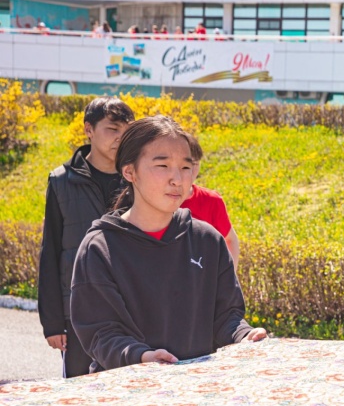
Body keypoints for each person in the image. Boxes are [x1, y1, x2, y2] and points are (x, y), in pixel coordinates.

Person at [70, 116, 266, 373]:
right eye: (162, 165)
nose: (177, 179)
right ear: (129, 172)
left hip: (197, 387)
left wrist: (243, 335)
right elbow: (101, 332)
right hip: (127, 389)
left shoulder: (207, 240)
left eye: (185, 167)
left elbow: (226, 317)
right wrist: (142, 356)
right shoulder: (100, 248)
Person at [38, 97, 136, 378]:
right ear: (88, 129)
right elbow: (51, 251)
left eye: (126, 131)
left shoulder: (137, 178)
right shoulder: (62, 181)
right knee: (79, 391)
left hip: (130, 308)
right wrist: (53, 322)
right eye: (112, 129)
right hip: (78, 311)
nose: (119, 138)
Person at [180, 134, 240, 267]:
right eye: (185, 165)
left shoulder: (211, 200)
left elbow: (230, 240)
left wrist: (230, 276)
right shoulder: (153, 200)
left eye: (195, 164)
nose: (191, 170)